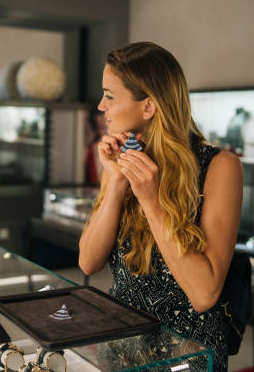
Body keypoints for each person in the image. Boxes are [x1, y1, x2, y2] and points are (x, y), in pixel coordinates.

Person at [79, 42, 243, 371]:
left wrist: (152, 201)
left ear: (149, 106)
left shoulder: (219, 166)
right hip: (121, 346)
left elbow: (204, 294)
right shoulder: (123, 158)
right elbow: (87, 262)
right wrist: (115, 183)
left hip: (186, 356)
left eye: (109, 95)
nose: (101, 106)